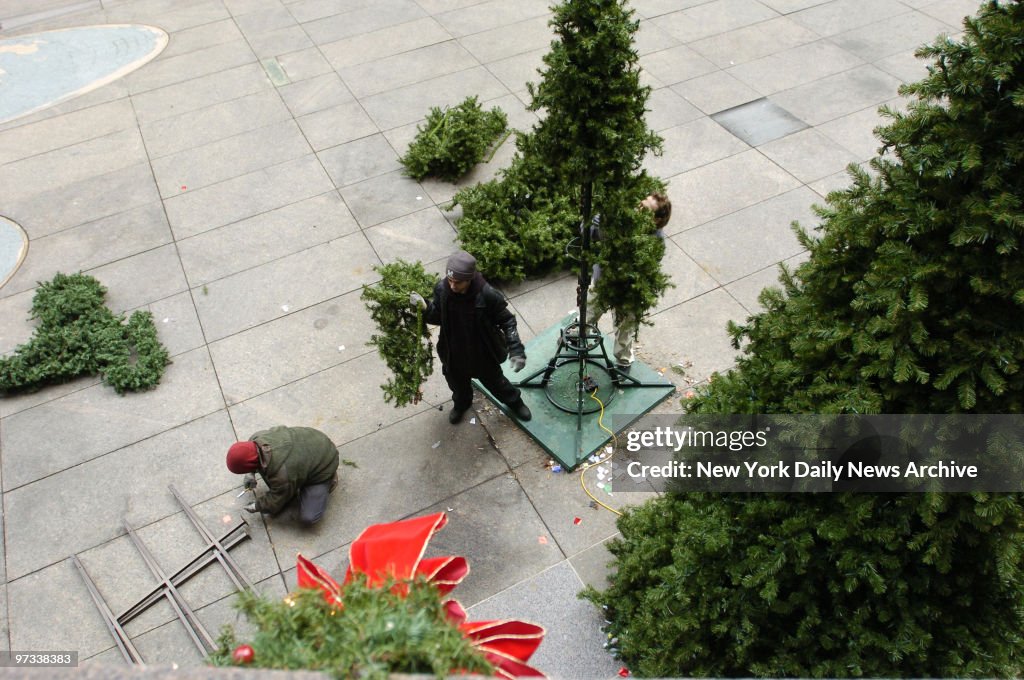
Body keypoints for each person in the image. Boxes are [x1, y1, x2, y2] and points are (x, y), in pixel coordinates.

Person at [410, 250, 532, 424]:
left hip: (481, 352)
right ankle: (461, 404)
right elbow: (437, 317)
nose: (452, 286)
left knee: (498, 384)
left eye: (458, 282)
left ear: (469, 279)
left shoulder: (487, 294)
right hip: (453, 352)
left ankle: (515, 403)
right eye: (450, 280)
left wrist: (516, 348)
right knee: (458, 386)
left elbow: (507, 320)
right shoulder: (442, 290)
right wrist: (425, 308)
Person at [587, 192, 672, 373]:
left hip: (629, 290)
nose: (638, 210)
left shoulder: (655, 240)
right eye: (640, 205)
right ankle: (575, 338)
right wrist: (598, 223)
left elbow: (644, 267)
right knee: (587, 315)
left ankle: (623, 363)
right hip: (604, 281)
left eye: (645, 210)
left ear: (656, 220)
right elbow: (590, 234)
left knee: (624, 331)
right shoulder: (622, 222)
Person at [226, 425, 340, 526]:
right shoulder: (256, 438)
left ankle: (329, 479)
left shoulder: (281, 474)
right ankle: (300, 475)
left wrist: (257, 506)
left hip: (325, 462)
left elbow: (276, 499)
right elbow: (252, 456)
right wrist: (250, 473)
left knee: (309, 517)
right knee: (285, 482)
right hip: (313, 438)